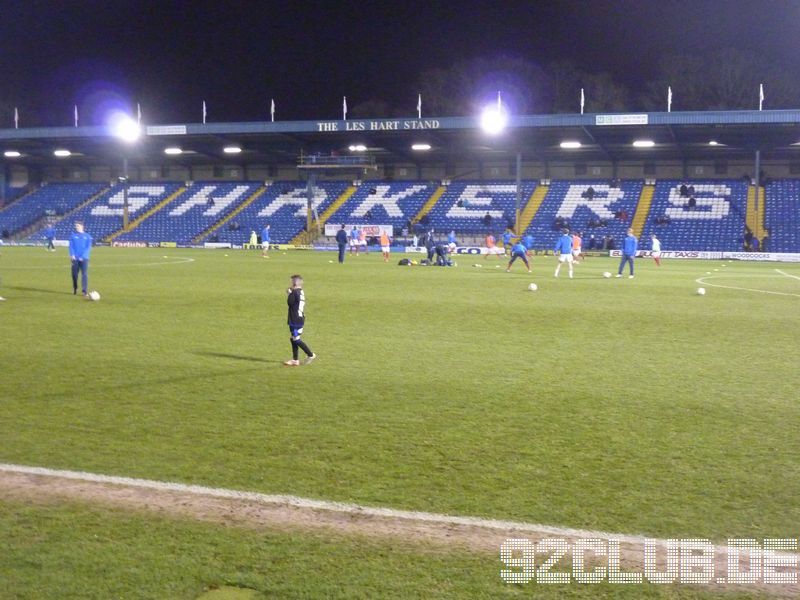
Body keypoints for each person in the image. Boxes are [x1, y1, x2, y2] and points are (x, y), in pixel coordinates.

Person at [284, 274, 316, 367]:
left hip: (295, 319)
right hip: (300, 318)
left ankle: (310, 354)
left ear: (294, 282)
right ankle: (295, 360)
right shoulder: (301, 291)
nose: (290, 283)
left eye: (291, 281)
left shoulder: (294, 292)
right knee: (292, 339)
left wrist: (289, 293)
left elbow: (289, 303)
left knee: (296, 339)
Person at [69, 221, 92, 296]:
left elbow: (88, 248)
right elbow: (71, 246)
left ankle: (84, 291)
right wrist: (72, 255)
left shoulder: (87, 236)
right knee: (74, 274)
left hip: (84, 258)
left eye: (78, 226)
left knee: (84, 274)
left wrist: (83, 256)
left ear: (82, 226)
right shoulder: (73, 236)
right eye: (76, 226)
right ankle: (75, 288)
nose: (76, 227)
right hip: (75, 258)